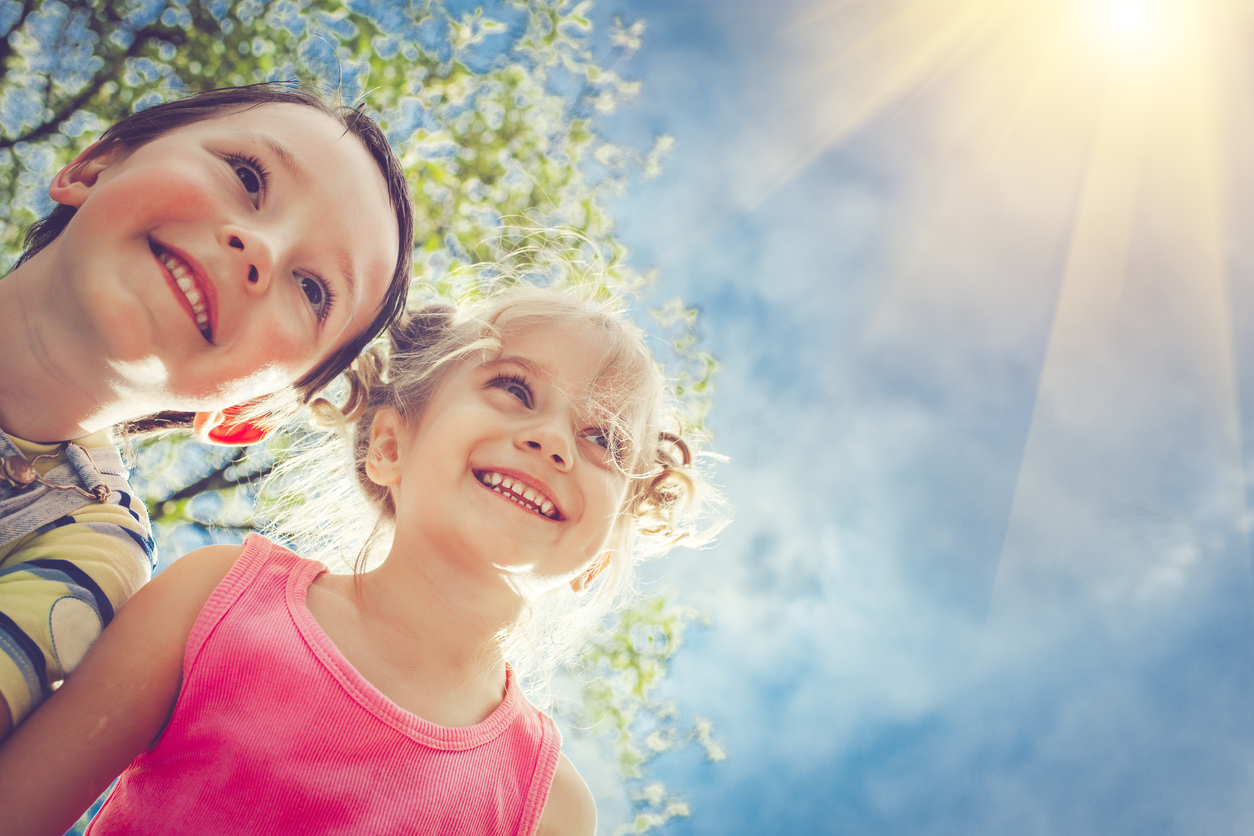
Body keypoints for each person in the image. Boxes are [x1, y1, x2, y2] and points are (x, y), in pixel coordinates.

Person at [0, 286, 716, 836]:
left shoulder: (548, 807)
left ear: (602, 555)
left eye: (604, 440)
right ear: (390, 446)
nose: (555, 442)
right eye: (514, 389)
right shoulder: (217, 599)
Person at [0, 84, 416, 741]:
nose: (260, 248)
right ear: (93, 167)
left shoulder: (91, 550)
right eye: (246, 175)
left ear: (248, 414)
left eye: (312, 290)